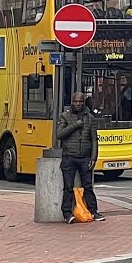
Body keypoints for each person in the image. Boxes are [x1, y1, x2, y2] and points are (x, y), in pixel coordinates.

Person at [56, 92, 104, 222]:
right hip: (69, 157)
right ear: (72, 102)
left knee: (88, 186)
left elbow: (94, 139)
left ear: (84, 102)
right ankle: (67, 214)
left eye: (81, 101)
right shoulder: (65, 116)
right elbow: (59, 134)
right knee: (68, 187)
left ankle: (93, 211)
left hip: (85, 157)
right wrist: (76, 125)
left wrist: (93, 157)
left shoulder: (90, 118)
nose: (78, 104)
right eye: (76, 101)